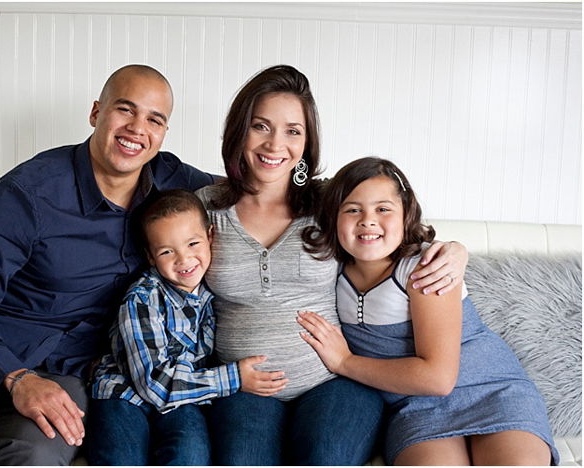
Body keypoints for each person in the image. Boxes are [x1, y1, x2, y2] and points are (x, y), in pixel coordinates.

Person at [0, 65, 216, 465]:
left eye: (154, 119)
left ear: (163, 133)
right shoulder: (29, 191)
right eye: (124, 110)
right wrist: (16, 377)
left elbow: (259, 187)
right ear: (96, 113)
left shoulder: (171, 180)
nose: (136, 128)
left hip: (66, 372)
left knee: (34, 457)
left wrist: (306, 178)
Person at [195, 64, 470, 465]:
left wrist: (456, 249)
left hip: (333, 381)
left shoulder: (328, 203)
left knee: (327, 458)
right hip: (247, 386)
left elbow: (392, 232)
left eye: (293, 130)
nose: (276, 144)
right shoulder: (204, 208)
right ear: (239, 131)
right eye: (261, 126)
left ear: (307, 143)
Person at [297, 157, 559, 465]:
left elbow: (438, 378)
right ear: (332, 216)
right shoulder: (330, 270)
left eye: (383, 209)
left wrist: (345, 362)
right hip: (416, 407)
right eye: (353, 209)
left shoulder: (425, 269)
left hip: (494, 392)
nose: (367, 220)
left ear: (406, 214)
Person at [87, 189, 287, 465]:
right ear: (150, 256)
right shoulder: (143, 299)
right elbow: (153, 384)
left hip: (184, 399)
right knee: (122, 458)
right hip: (124, 397)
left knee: (191, 454)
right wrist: (233, 378)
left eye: (193, 244)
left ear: (210, 237)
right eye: (167, 251)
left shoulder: (214, 292)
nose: (184, 260)